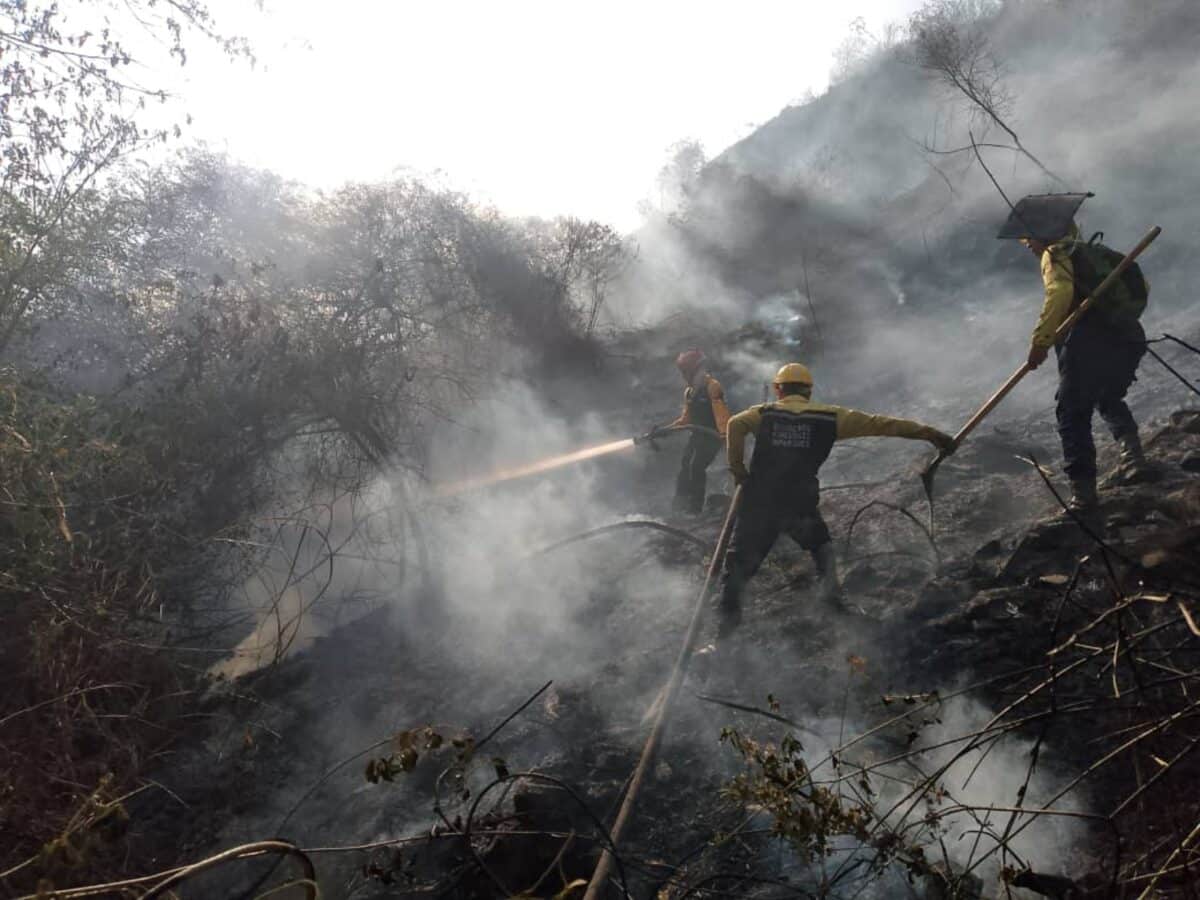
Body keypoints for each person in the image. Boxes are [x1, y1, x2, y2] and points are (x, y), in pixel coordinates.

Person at [716, 363, 954, 640]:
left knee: (738, 566)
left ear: (778, 390)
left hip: (759, 501)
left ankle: (726, 629)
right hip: (798, 503)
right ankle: (831, 601)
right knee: (822, 549)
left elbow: (734, 423)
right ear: (808, 391)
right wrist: (931, 434)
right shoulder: (831, 417)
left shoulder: (763, 414)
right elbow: (884, 424)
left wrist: (738, 470)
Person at [998, 193, 1149, 512]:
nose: (1026, 244)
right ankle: (1134, 461)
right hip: (1128, 336)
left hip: (1088, 342)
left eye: (1028, 237)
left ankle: (1084, 495)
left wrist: (1040, 342)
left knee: (1071, 412)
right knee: (1108, 397)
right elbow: (1142, 288)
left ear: (1044, 232)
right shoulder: (1096, 254)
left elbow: (1059, 293)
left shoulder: (1054, 254)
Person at [661, 349, 731, 514]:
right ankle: (679, 507)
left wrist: (726, 436)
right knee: (685, 465)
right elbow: (686, 420)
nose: (683, 375)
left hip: (713, 436)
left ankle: (694, 509)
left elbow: (722, 415)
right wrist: (667, 430)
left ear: (693, 370)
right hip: (697, 435)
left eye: (685, 371)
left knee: (696, 467)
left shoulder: (712, 387)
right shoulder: (690, 392)